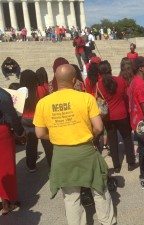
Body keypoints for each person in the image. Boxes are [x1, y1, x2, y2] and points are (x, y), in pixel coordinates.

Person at [33, 64, 116, 225]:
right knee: (99, 189)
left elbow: (40, 133)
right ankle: (107, 221)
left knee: (71, 197)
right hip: (86, 151)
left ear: (56, 80)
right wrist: (88, 135)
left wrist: (58, 136)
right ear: (73, 79)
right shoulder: (86, 98)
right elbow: (99, 127)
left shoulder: (43, 103)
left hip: (61, 154)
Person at [97, 60, 137, 172]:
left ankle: (116, 166)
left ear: (100, 72)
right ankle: (131, 162)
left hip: (108, 117)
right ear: (110, 69)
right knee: (127, 138)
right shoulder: (120, 80)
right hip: (122, 114)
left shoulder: (99, 84)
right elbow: (125, 96)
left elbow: (99, 100)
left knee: (113, 140)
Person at [127, 56, 144, 188]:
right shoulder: (141, 86)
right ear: (140, 68)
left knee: (143, 150)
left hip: (135, 123)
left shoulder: (133, 82)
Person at [20, 70, 53, 172]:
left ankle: (31, 166)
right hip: (40, 118)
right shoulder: (41, 89)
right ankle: (52, 164)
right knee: (47, 143)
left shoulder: (20, 91)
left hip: (25, 119)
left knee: (30, 143)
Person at [0, 87, 25, 215]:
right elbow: (11, 116)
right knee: (6, 167)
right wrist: (20, 131)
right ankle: (8, 201)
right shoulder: (2, 95)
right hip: (1, 132)